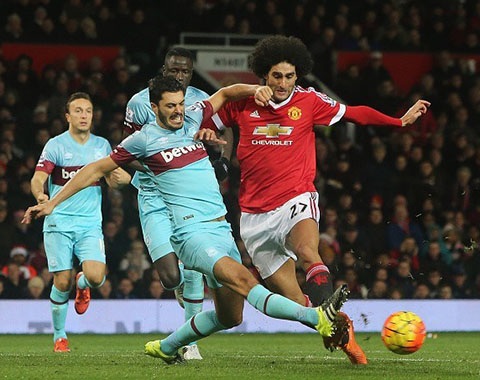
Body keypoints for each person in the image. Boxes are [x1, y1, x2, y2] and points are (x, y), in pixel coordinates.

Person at [23, 76, 349, 364]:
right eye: (170, 106)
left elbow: (224, 93)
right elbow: (94, 170)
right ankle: (318, 316)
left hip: (220, 228)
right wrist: (52, 202)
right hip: (190, 234)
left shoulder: (192, 119)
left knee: (230, 316)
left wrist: (257, 89)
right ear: (154, 108)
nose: (178, 111)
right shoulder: (143, 140)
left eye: (180, 104)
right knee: (245, 281)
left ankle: (167, 346)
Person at [203, 35, 430, 365]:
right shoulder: (243, 103)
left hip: (296, 197)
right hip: (253, 216)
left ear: (298, 76)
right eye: (277, 75)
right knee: (295, 304)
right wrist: (208, 132)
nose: (283, 83)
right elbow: (207, 117)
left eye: (290, 76)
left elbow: (355, 113)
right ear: (264, 74)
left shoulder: (309, 101)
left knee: (308, 251)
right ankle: (339, 326)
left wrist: (398, 121)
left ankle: (334, 316)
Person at [123, 47, 234, 360]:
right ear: (164, 69)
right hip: (153, 193)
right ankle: (182, 288)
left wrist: (223, 162)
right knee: (173, 277)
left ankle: (189, 343)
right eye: (174, 70)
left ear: (191, 73)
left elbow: (227, 129)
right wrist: (159, 168)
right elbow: (127, 151)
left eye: (185, 71)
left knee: (195, 264)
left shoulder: (199, 101)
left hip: (189, 195)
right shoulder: (139, 102)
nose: (179, 76)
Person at [29, 92, 130, 352]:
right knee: (62, 282)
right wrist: (41, 195)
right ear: (67, 116)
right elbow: (38, 177)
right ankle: (60, 336)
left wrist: (120, 180)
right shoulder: (56, 145)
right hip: (59, 223)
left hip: (89, 224)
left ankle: (82, 284)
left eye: (87, 110)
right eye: (78, 110)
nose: (84, 115)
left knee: (97, 278)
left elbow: (111, 179)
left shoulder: (102, 146)